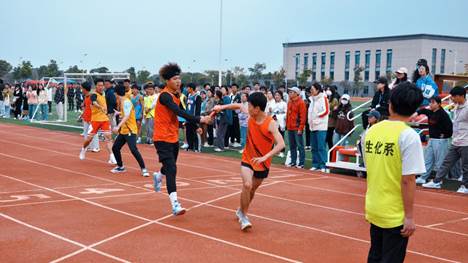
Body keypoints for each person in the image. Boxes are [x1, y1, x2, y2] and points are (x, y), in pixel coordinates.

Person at [363, 82, 425, 263]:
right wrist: (409, 217)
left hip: (374, 207)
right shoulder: (409, 136)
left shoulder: (372, 131)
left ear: (390, 104)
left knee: (375, 256)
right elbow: (408, 180)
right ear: (414, 109)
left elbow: (370, 166)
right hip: (394, 214)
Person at [213, 92, 285, 230]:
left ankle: (241, 210)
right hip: (248, 157)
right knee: (247, 185)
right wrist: (221, 107)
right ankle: (244, 216)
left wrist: (265, 157)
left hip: (262, 163)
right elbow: (239, 105)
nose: (248, 108)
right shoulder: (250, 113)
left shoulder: (270, 124)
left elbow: (281, 144)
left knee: (252, 190)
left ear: (257, 109)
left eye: (250, 106)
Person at [152, 63, 211, 216]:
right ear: (167, 81)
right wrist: (200, 118)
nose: (178, 81)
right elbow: (177, 111)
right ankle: (175, 204)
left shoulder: (177, 96)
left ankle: (159, 176)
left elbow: (183, 112)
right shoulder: (165, 96)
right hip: (161, 138)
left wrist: (197, 123)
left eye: (179, 78)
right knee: (172, 169)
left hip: (173, 137)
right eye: (174, 78)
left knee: (169, 166)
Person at [423, 87, 468, 193]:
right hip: (456, 141)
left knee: (465, 166)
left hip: (466, 142)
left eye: (454, 96)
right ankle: (436, 181)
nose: (451, 98)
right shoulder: (457, 106)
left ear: (461, 96)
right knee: (446, 162)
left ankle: (465, 186)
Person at [111, 84, 149, 176]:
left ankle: (144, 169)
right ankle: (120, 167)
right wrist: (119, 113)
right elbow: (127, 112)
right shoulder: (123, 101)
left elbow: (127, 116)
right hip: (124, 130)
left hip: (130, 129)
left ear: (116, 93)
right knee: (115, 147)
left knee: (133, 149)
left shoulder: (126, 102)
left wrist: (117, 126)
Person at [414, 96, 453, 184]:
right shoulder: (431, 112)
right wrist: (416, 113)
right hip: (432, 139)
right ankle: (423, 177)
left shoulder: (443, 114)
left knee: (440, 161)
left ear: (439, 104)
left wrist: (444, 136)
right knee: (428, 159)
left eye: (433, 102)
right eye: (430, 102)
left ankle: (440, 180)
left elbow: (450, 128)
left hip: (440, 140)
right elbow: (423, 110)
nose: (430, 104)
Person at [79, 78, 116, 164]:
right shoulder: (93, 95)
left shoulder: (104, 95)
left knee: (109, 138)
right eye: (99, 85)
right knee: (88, 139)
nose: (101, 87)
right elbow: (94, 102)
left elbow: (107, 105)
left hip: (105, 120)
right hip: (95, 120)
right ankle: (83, 149)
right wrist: (100, 107)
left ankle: (112, 156)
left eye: (102, 85)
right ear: (96, 86)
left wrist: (114, 111)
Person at [308, 83, 330, 172]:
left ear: (317, 90)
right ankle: (315, 164)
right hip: (312, 126)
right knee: (314, 147)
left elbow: (326, 111)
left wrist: (316, 117)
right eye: (311, 89)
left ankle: (323, 165)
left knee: (321, 146)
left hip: (321, 126)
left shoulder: (323, 98)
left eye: (312, 89)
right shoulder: (312, 100)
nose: (311, 91)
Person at [286, 87, 306, 168]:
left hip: (297, 127)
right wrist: (287, 125)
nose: (289, 93)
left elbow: (303, 116)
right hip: (290, 127)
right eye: (289, 92)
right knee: (292, 145)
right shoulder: (289, 102)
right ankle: (293, 161)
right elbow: (288, 114)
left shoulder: (301, 102)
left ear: (296, 93)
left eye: (291, 92)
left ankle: (301, 163)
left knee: (300, 145)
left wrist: (300, 128)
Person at [79, 81, 100, 153]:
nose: (81, 90)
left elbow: (96, 105)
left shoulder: (92, 96)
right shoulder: (86, 96)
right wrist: (82, 114)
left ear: (85, 89)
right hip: (86, 117)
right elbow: (86, 107)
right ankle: (88, 146)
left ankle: (96, 147)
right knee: (86, 133)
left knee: (93, 133)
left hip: (93, 117)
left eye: (82, 88)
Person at [185, 83, 202, 151]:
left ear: (191, 88)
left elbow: (198, 109)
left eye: (188, 88)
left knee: (195, 133)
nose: (187, 89)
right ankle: (190, 147)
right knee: (188, 134)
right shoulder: (188, 95)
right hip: (188, 118)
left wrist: (197, 119)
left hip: (194, 118)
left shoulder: (197, 97)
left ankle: (197, 148)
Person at [271, 90, 287, 158]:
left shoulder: (284, 103)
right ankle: (272, 151)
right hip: (273, 121)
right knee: (272, 137)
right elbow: (270, 112)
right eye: (276, 95)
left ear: (281, 96)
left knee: (280, 136)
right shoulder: (272, 103)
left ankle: (281, 151)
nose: (277, 96)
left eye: (278, 95)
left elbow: (286, 112)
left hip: (281, 122)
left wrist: (280, 116)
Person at [325, 85, 340, 150]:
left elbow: (334, 111)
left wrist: (329, 110)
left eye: (329, 90)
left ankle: (331, 155)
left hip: (331, 122)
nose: (328, 91)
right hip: (325, 121)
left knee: (329, 139)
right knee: (325, 139)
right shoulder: (325, 98)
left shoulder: (334, 100)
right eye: (327, 89)